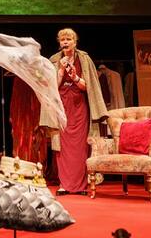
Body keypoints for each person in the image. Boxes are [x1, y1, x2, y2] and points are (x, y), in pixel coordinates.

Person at [40, 28, 108, 195]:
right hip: (61, 107)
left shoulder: (84, 59)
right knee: (62, 145)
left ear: (75, 42)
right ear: (59, 42)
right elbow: (51, 88)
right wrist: (62, 72)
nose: (65, 42)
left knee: (81, 145)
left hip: (79, 107)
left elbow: (89, 87)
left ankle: (81, 185)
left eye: (69, 39)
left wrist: (76, 77)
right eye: (62, 39)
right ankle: (65, 184)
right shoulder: (54, 60)